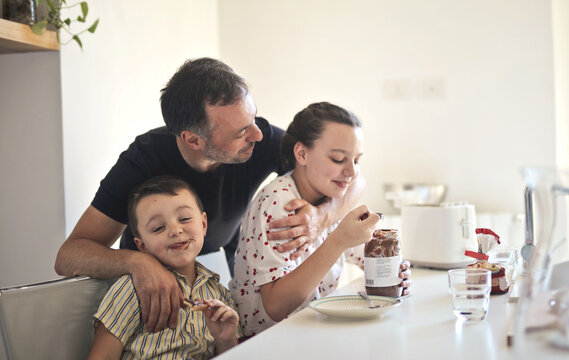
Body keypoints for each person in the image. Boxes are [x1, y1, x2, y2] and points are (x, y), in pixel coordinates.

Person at [55, 57, 364, 333]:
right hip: (153, 303)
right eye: (240, 131)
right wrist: (138, 263)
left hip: (218, 290)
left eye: (253, 119)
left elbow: (354, 180)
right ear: (193, 139)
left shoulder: (259, 137)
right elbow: (69, 256)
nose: (257, 134)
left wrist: (322, 217)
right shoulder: (143, 160)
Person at [230, 102, 411, 336]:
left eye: (356, 160)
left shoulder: (331, 199)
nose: (352, 172)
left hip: (312, 331)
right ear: (302, 154)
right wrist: (338, 241)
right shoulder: (279, 203)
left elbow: (365, 255)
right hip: (267, 342)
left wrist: (395, 271)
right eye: (338, 159)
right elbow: (275, 308)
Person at [88, 175, 240, 359]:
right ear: (142, 245)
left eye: (184, 218)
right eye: (158, 228)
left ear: (203, 224)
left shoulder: (220, 294)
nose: (175, 230)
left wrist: (226, 339)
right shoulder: (132, 289)